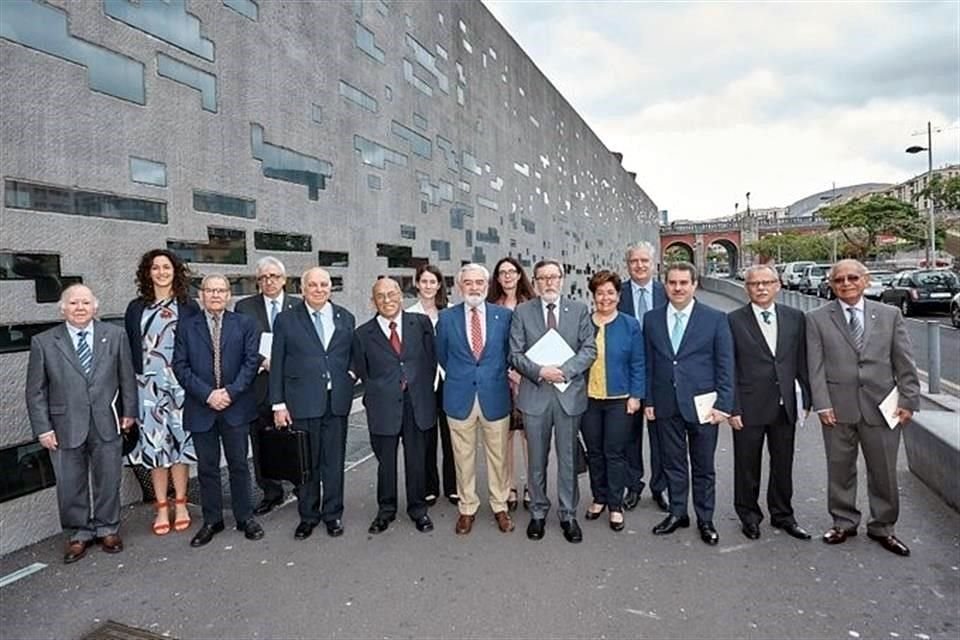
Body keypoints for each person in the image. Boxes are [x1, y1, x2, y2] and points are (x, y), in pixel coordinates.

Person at [806, 259, 920, 556]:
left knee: (883, 470)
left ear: (865, 280)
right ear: (831, 285)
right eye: (839, 279)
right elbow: (814, 367)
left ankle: (884, 527)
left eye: (852, 277)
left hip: (883, 407)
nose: (846, 283)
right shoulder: (817, 318)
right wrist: (822, 405)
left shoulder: (890, 315)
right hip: (837, 408)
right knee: (839, 469)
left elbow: (904, 363)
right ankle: (843, 522)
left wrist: (908, 401)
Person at [26, 284, 138, 563]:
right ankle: (79, 533)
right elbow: (35, 391)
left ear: (95, 308)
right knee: (69, 483)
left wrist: (129, 413)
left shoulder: (114, 336)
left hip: (107, 421)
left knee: (108, 478)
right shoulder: (44, 342)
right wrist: (43, 428)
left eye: (85, 303)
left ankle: (107, 528)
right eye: (73, 303)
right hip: (64, 426)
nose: (79, 308)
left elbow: (127, 378)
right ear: (62, 308)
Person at [644, 262, 734, 545]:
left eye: (684, 283)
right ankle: (677, 511)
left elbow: (725, 364)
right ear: (665, 285)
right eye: (672, 283)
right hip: (665, 403)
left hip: (704, 406)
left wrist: (724, 403)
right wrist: (649, 400)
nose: (678, 288)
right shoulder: (652, 319)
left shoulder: (716, 318)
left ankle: (705, 519)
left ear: (694, 285)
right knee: (673, 463)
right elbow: (648, 363)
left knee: (703, 465)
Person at [172, 274, 263, 547]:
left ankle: (245, 517)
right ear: (201, 295)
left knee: (238, 465)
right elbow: (180, 366)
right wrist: (208, 395)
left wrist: (230, 393)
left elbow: (251, 363)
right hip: (202, 408)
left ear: (228, 295)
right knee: (207, 468)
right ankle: (212, 520)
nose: (215, 295)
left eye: (220, 290)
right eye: (210, 290)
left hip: (236, 407)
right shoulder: (186, 327)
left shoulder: (245, 324)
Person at [510, 259, 596, 543]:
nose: (549, 282)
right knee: (536, 459)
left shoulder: (580, 310)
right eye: (542, 278)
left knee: (568, 459)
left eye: (553, 277)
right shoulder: (522, 312)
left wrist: (565, 371)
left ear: (562, 279)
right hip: (535, 395)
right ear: (535, 282)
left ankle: (568, 514)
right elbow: (515, 353)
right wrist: (539, 371)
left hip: (569, 395)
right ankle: (537, 511)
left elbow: (589, 348)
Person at [270, 267, 355, 540]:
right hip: (301, 402)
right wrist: (278, 404)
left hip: (336, 402)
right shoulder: (286, 320)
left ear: (331, 287)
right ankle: (308, 516)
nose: (319, 289)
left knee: (333, 462)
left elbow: (352, 354)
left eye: (324, 284)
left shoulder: (345, 317)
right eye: (313, 285)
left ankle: (333, 514)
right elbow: (278, 362)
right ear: (303, 289)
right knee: (307, 463)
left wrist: (350, 375)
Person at [728, 265, 812, 541]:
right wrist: (733, 407)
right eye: (755, 284)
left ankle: (783, 515)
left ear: (778, 285)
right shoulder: (732, 320)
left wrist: (806, 399)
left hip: (784, 405)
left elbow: (801, 361)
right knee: (747, 466)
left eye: (767, 282)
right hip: (748, 407)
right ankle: (749, 516)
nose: (761, 288)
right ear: (747, 288)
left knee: (783, 464)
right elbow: (729, 368)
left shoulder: (795, 318)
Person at [123, 249, 200, 536]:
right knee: (155, 449)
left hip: (180, 385)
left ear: (175, 271)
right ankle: (161, 506)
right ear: (148, 273)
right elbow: (130, 350)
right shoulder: (135, 308)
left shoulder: (189, 306)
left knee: (180, 446)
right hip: (147, 388)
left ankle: (180, 503)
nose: (161, 272)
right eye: (155, 268)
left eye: (166, 267)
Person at [353, 277, 436, 534]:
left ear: (401, 296)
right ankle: (385, 510)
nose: (387, 300)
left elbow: (430, 360)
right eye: (381, 296)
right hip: (383, 406)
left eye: (391, 294)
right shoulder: (362, 334)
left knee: (416, 460)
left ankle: (418, 509)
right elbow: (363, 372)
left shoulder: (420, 324)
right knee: (385, 463)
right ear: (373, 301)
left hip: (416, 403)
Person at [436, 263, 515, 535]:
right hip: (460, 397)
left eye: (479, 282)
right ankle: (467, 508)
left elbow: (508, 353)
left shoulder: (503, 316)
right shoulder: (446, 318)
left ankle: (500, 505)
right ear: (460, 287)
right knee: (463, 457)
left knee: (499, 457)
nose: (474, 287)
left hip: (494, 395)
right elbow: (442, 355)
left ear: (487, 284)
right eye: (468, 283)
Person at [234, 256, 300, 516]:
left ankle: (302, 486)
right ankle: (271, 492)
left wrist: (285, 363)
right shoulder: (244, 307)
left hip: (293, 385)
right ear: (257, 281)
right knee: (261, 440)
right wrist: (264, 361)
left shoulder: (299, 305)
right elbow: (241, 343)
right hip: (259, 383)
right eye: (263, 277)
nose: (269, 281)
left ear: (284, 280)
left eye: (274, 276)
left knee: (296, 438)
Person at [582, 271, 645, 532]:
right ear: (593, 296)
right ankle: (599, 498)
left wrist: (636, 395)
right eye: (600, 293)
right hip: (588, 400)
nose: (605, 298)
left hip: (620, 399)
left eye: (610, 293)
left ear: (618, 296)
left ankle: (615, 504)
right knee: (594, 452)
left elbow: (639, 362)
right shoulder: (584, 323)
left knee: (615, 452)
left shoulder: (630, 325)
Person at [618, 242, 668, 512]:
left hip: (661, 378)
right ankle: (633, 486)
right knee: (629, 437)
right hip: (627, 377)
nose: (639, 266)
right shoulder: (618, 293)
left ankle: (660, 487)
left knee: (661, 437)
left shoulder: (667, 292)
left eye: (644, 261)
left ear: (653, 264)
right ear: (628, 265)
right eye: (634, 261)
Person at [487, 256, 536, 511]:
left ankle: (531, 486)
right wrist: (507, 370)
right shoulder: (490, 306)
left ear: (519, 275)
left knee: (529, 435)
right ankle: (509, 487)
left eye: (511, 271)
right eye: (502, 272)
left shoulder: (532, 304)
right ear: (497, 278)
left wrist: (523, 371)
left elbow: (538, 343)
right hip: (499, 380)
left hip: (527, 379)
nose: (507, 276)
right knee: (503, 436)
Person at [406, 263, 456, 506]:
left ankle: (453, 486)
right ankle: (429, 486)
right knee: (426, 436)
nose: (428, 286)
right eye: (423, 281)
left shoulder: (451, 312)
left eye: (432, 282)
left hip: (449, 381)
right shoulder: (409, 314)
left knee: (451, 437)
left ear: (439, 285)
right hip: (423, 384)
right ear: (417, 283)